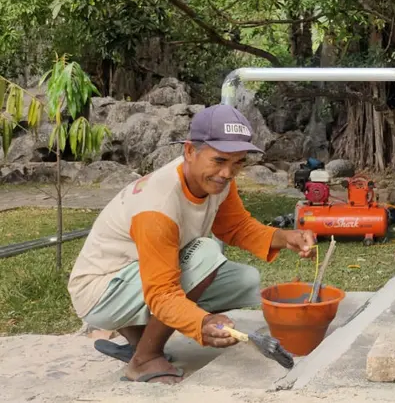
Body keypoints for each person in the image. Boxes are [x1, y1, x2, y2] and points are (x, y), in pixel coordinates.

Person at [67, 104, 316, 384]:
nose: (227, 173)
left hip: (136, 276)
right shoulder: (157, 206)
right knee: (205, 254)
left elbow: (235, 226)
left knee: (244, 280)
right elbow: (162, 292)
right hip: (100, 291)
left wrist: (286, 237)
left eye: (238, 163)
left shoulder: (217, 182)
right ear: (189, 151)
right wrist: (201, 323)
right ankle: (144, 359)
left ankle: (138, 337)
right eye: (219, 161)